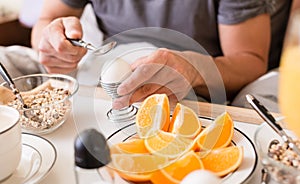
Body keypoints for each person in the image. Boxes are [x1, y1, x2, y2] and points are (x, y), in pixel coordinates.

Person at [31, 0, 292, 110]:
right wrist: (52, 43)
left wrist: (193, 69)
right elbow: (48, 18)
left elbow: (249, 60)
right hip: (107, 80)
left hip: (201, 84)